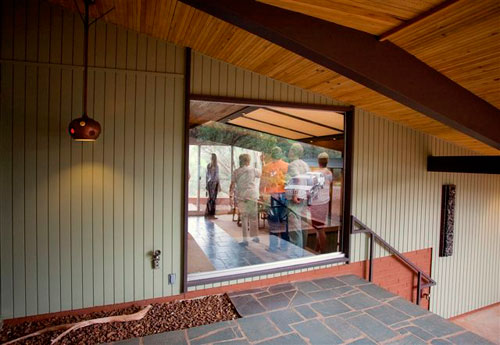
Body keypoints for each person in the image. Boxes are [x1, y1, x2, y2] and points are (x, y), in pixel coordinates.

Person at [260, 147, 289, 252]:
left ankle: (273, 247)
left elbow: (262, 182)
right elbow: (289, 182)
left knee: (273, 222)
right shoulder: (287, 166)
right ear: (281, 154)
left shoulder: (266, 167)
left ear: (272, 154)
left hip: (272, 197)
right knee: (284, 221)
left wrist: (261, 194)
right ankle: (285, 246)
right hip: (284, 196)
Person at [230, 153, 261, 246]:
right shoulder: (253, 170)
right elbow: (260, 175)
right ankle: (255, 236)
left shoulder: (236, 171)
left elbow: (232, 184)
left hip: (241, 196)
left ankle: (245, 240)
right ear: (248, 161)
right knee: (253, 216)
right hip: (252, 195)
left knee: (244, 217)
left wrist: (230, 195)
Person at [286, 143, 310, 255]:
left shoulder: (292, 165)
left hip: (295, 199)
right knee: (303, 226)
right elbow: (310, 181)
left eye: (290, 150)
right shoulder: (305, 165)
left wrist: (295, 195)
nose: (289, 152)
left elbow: (297, 179)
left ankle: (296, 255)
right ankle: (303, 251)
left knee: (294, 228)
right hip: (304, 197)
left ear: (294, 152)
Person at [310, 152, 333, 253]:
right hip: (325, 202)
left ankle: (323, 251)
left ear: (318, 161)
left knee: (319, 228)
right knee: (319, 227)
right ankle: (317, 248)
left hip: (317, 203)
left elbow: (312, 188)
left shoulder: (316, 173)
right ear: (327, 161)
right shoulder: (329, 173)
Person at [205, 153, 220, 219]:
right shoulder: (215, 166)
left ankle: (208, 213)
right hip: (213, 183)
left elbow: (207, 175)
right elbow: (216, 176)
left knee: (211, 199)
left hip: (210, 183)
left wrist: (207, 184)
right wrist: (218, 184)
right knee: (213, 199)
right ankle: (211, 214)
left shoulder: (209, 165)